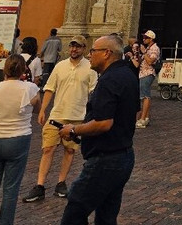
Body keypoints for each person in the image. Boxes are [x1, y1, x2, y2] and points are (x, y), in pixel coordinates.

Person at [59, 34, 139, 224]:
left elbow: (104, 123)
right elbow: (133, 112)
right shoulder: (129, 76)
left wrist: (74, 130)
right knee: (106, 217)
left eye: (93, 51)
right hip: (124, 155)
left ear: (106, 53)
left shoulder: (108, 80)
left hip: (105, 160)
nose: (89, 55)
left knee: (74, 213)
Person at [24, 36, 98, 203]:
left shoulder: (91, 68)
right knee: (48, 149)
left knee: (70, 151)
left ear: (84, 49)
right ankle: (40, 185)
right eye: (72, 46)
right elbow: (49, 89)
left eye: (78, 47)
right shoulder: (60, 66)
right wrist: (43, 110)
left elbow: (93, 93)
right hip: (56, 115)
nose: (74, 49)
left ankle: (61, 182)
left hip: (78, 117)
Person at [0, 54, 41, 225]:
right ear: (23, 70)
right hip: (18, 138)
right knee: (11, 190)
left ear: (4, 69)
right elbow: (37, 109)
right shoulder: (30, 88)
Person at [136, 30, 160, 127]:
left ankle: (142, 118)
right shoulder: (148, 48)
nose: (143, 39)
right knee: (144, 96)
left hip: (148, 73)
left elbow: (150, 61)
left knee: (145, 97)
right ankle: (146, 117)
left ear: (151, 39)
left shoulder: (154, 48)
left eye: (146, 38)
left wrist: (144, 53)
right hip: (143, 73)